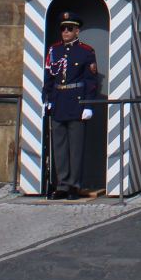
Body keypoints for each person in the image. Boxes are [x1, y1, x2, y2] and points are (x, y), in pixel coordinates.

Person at [43, 12, 100, 200]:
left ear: (77, 31)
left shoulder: (86, 51)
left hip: (77, 102)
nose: (65, 32)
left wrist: (88, 105)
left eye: (69, 29)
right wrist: (48, 98)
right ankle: (62, 184)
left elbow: (91, 80)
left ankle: (74, 185)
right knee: (59, 147)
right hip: (59, 100)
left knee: (75, 148)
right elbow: (49, 76)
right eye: (63, 29)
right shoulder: (54, 50)